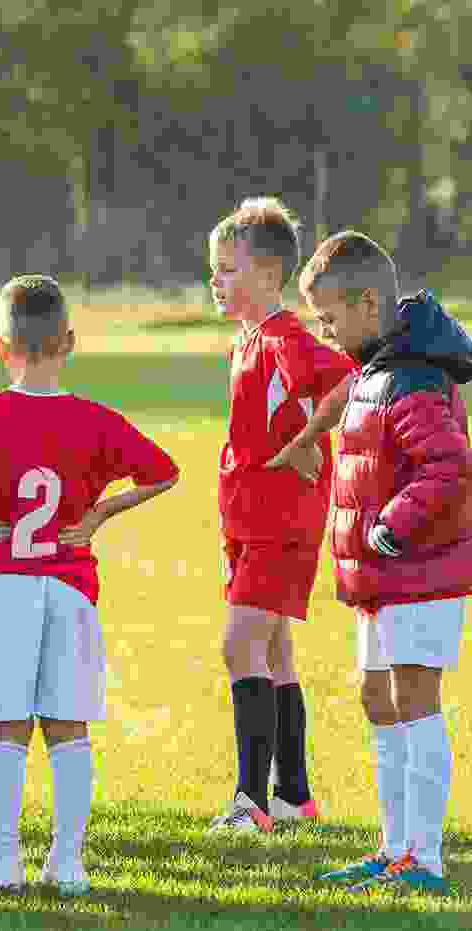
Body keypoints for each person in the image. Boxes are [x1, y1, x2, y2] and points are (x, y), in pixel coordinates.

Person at [0, 275, 178, 895]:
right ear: (69, 340)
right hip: (69, 585)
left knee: (5, 728)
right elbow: (164, 473)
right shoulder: (96, 421)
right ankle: (67, 862)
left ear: (0, 347)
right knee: (68, 727)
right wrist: (100, 513)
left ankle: (3, 862)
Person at [295, 233, 472, 894]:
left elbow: (448, 465)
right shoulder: (377, 366)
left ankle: (423, 859)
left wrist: (392, 529)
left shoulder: (414, 375)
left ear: (369, 304)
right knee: (377, 696)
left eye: (330, 318)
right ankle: (393, 846)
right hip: (382, 580)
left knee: (414, 700)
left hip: (419, 569)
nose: (327, 331)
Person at [206, 198, 355, 834]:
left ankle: (250, 803)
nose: (215, 279)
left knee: (239, 645)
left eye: (226, 269)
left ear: (268, 275)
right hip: (246, 517)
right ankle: (292, 792)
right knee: (275, 652)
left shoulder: (285, 337)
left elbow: (347, 380)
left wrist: (305, 442)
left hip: (278, 522)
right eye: (212, 269)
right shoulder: (249, 340)